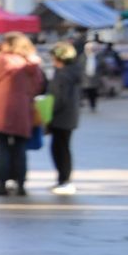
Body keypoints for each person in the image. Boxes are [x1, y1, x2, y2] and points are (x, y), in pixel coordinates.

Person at [0, 31, 45, 197]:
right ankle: (21, 183)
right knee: (20, 147)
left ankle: (1, 183)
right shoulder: (32, 63)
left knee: (1, 146)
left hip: (1, 109)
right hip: (23, 108)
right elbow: (38, 86)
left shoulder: (4, 60)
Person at [46, 42, 84, 194]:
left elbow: (59, 98)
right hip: (68, 116)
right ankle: (63, 179)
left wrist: (49, 113)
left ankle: (64, 180)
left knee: (60, 148)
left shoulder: (63, 74)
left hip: (61, 116)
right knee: (62, 147)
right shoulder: (72, 72)